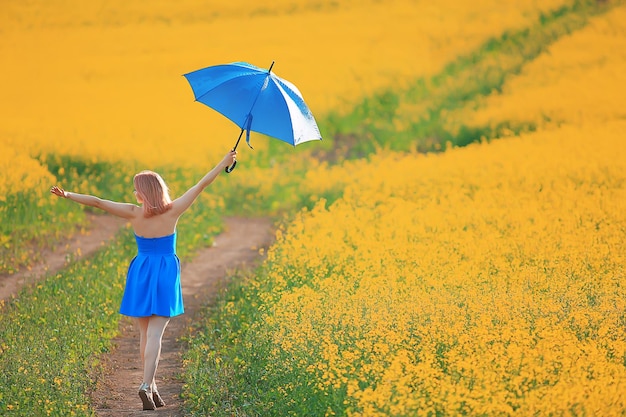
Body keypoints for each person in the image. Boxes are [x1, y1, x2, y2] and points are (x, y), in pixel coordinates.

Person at [50, 150, 237, 410]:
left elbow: (97, 202)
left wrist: (68, 195)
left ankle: (151, 385)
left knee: (144, 333)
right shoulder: (174, 211)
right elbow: (202, 184)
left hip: (141, 270)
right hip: (165, 271)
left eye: (136, 189)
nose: (134, 193)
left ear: (144, 193)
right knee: (156, 334)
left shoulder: (133, 213)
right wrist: (224, 163)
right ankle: (147, 385)